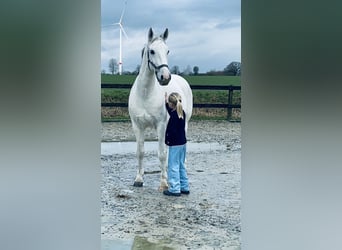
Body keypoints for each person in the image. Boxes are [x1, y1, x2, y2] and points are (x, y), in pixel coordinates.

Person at [163, 92, 190, 196]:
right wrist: (166, 102)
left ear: (171, 104)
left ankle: (174, 189)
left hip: (175, 144)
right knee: (181, 165)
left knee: (173, 165)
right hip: (183, 143)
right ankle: (184, 187)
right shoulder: (181, 112)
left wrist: (168, 140)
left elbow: (172, 131)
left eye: (169, 102)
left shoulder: (174, 116)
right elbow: (171, 111)